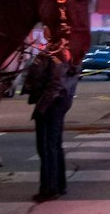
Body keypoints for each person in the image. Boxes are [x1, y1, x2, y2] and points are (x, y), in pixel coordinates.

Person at [23, 37, 79, 203]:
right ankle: (58, 184)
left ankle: (49, 188)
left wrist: (42, 106)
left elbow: (57, 81)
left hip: (51, 104)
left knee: (48, 146)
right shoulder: (56, 49)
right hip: (53, 102)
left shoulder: (60, 51)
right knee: (53, 144)